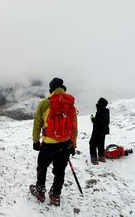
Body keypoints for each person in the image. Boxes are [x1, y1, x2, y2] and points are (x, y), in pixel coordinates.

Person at [30, 78, 78, 206]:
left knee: (42, 167)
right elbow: (74, 127)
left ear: (51, 89)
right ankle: (55, 195)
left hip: (49, 144)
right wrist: (73, 145)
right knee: (60, 170)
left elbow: (37, 124)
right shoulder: (70, 105)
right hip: (65, 144)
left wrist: (36, 141)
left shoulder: (45, 103)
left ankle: (40, 191)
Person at [89, 97, 110, 165]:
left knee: (92, 143)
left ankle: (94, 158)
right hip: (104, 130)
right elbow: (104, 121)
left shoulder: (100, 111)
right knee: (100, 143)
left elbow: (98, 122)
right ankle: (101, 156)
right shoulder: (106, 111)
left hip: (98, 130)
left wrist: (92, 119)